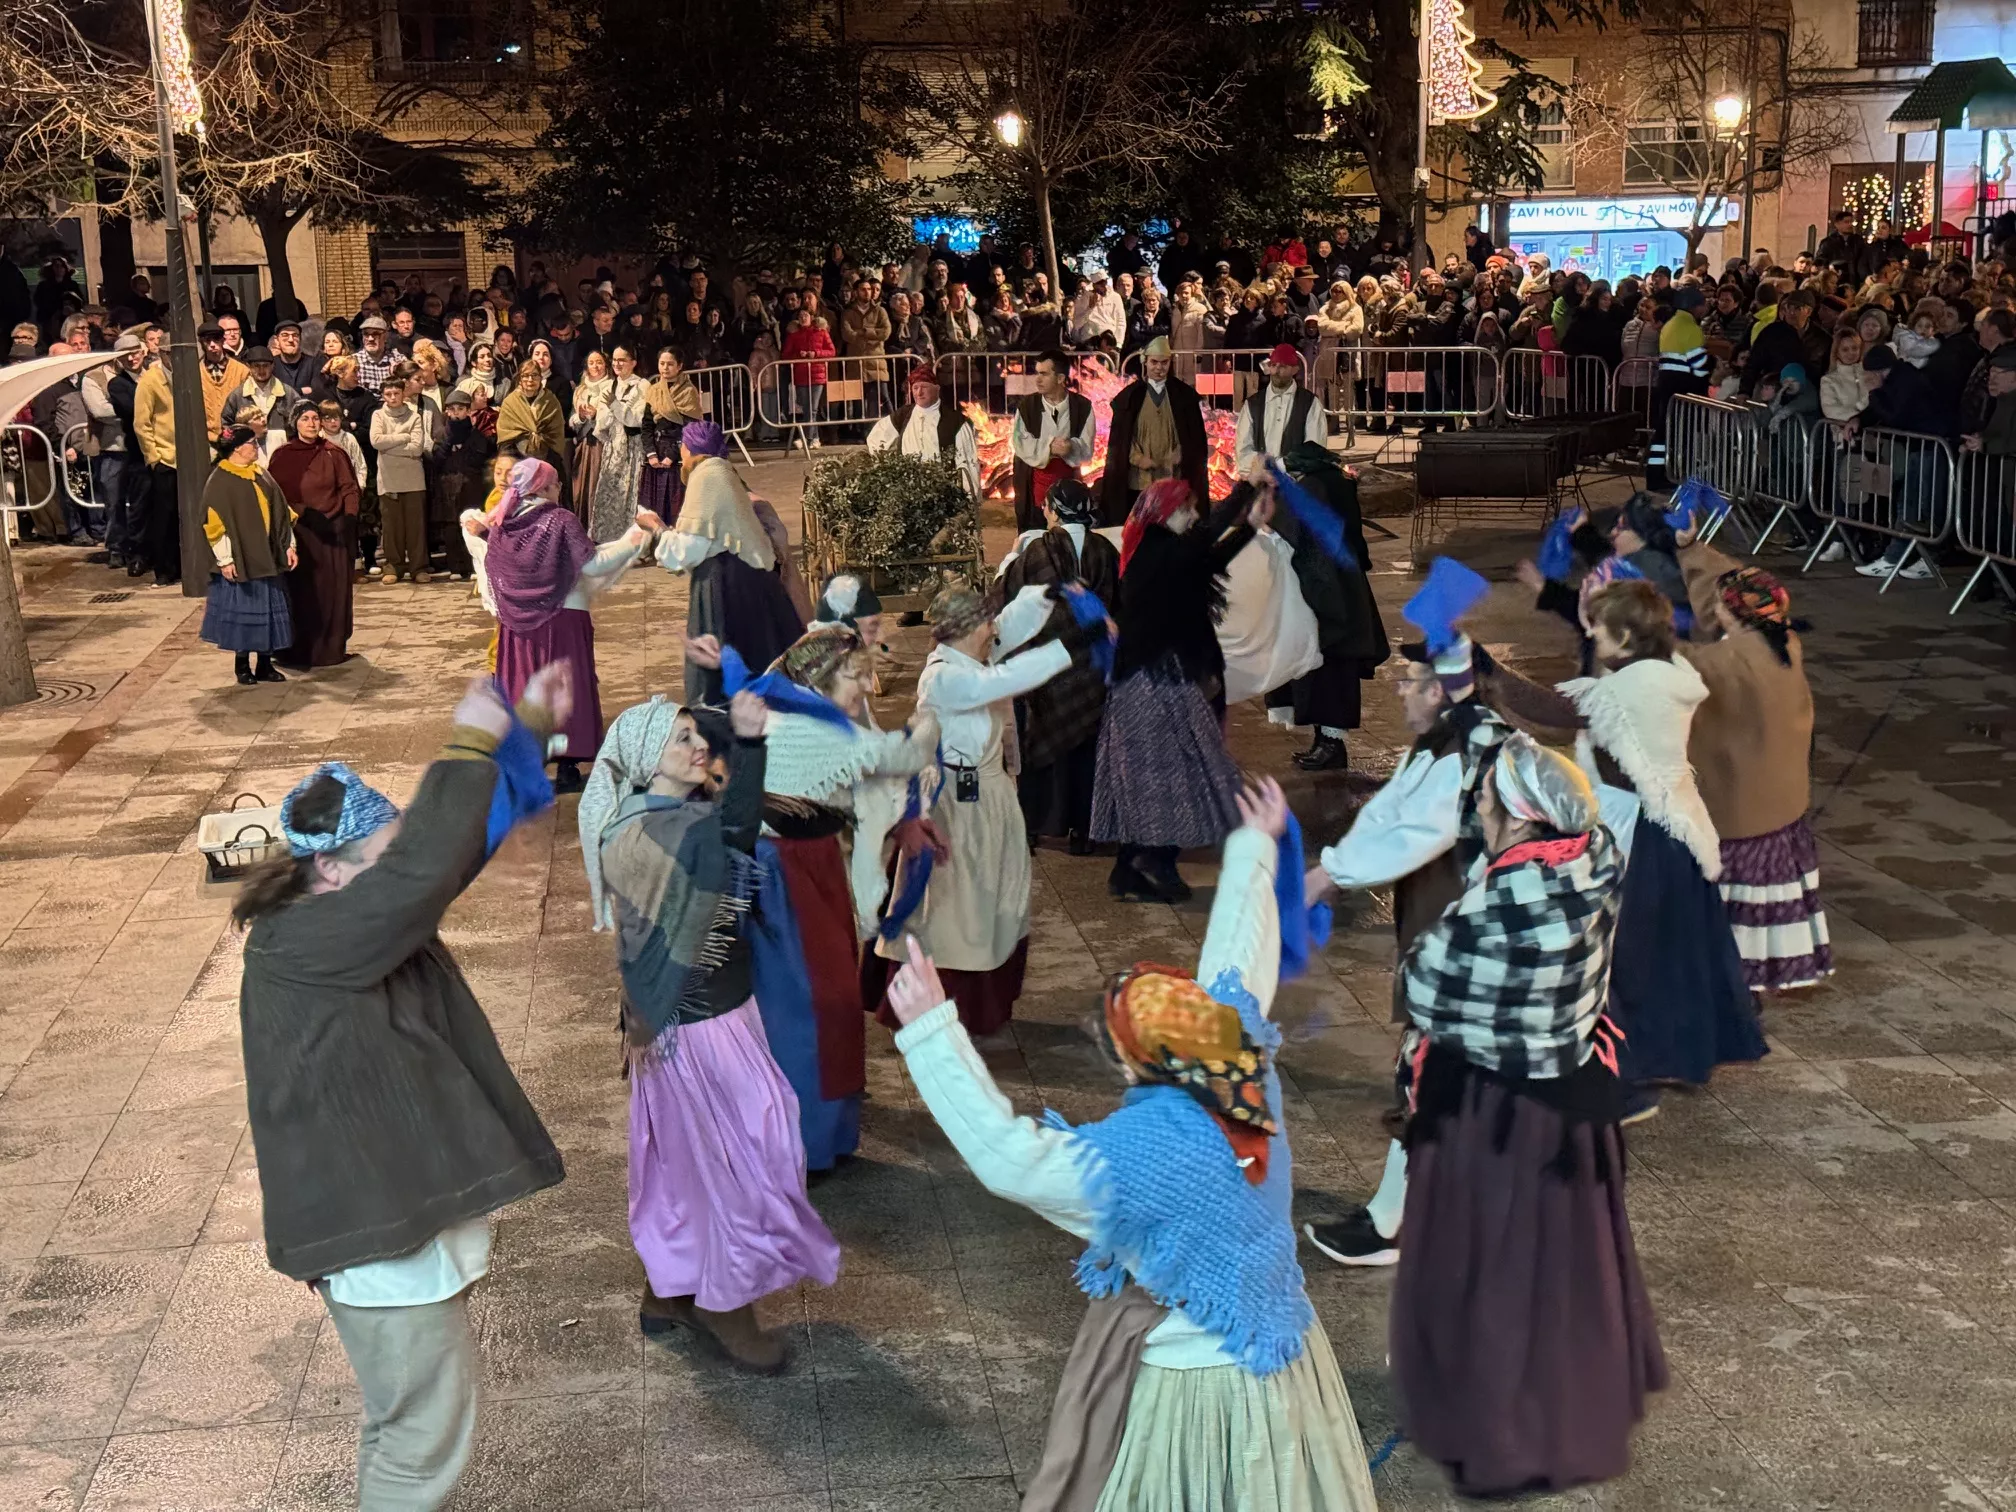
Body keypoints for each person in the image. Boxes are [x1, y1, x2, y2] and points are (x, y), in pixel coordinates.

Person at [883, 779, 1381, 1512]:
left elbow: (1009, 1158)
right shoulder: (1241, 1059)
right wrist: (1254, 844)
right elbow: (1238, 957)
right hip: (1280, 1340)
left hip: (1199, 1383)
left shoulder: (1143, 1157)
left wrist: (932, 1033)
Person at [234, 670, 570, 1510]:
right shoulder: (308, 941)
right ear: (331, 868)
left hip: (386, 1204)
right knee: (419, 1439)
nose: (402, 877)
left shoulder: (342, 914)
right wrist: (469, 740)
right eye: (384, 862)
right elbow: (422, 871)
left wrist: (523, 734)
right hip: (370, 1229)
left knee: (403, 1423)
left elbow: (437, 860)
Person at [1387, 735, 1666, 1497]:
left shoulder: (1505, 900)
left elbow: (1425, 986)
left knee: (1496, 1266)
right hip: (1574, 1102)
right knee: (1559, 1268)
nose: (1476, 811)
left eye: (1485, 801)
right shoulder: (1593, 854)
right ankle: (1565, 1392)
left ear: (1517, 816)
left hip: (1499, 1114)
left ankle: (1501, 1425)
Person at [580, 691, 843, 1373]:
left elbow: (730, 831)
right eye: (680, 740)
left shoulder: (670, 818)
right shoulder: (644, 834)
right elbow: (731, 836)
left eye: (697, 734)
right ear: (646, 761)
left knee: (686, 1163)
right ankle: (726, 1306)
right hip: (691, 1025)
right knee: (744, 1157)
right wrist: (751, 759)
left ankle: (669, 1291)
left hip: (706, 1013)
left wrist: (747, 745)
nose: (699, 746)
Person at [703, 629, 937, 1173]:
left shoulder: (808, 713)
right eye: (855, 676)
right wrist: (933, 715)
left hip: (804, 865)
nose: (866, 686)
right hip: (785, 876)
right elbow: (901, 755)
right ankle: (802, 1141)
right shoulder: (807, 729)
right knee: (808, 1004)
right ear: (821, 679)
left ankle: (812, 1127)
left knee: (811, 998)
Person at [1563, 580, 1766, 1122]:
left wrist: (1482, 671)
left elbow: (1558, 710)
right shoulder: (1656, 672)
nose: (1591, 636)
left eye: (1598, 628)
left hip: (1649, 838)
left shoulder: (1641, 686)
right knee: (1666, 959)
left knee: (1624, 961)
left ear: (1627, 637)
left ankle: (1630, 1084)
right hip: (1669, 832)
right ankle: (1662, 1063)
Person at [864, 584, 1094, 1036]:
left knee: (993, 900)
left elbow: (1010, 626)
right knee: (954, 911)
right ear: (967, 628)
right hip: (956, 807)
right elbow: (1003, 681)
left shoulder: (973, 657)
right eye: (986, 621)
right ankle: (946, 1007)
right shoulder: (945, 678)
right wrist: (1077, 644)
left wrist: (1046, 595)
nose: (993, 629)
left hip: (990, 801)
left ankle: (981, 1003)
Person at [1094, 477, 1267, 903]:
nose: (1193, 515)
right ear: (1163, 514)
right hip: (1150, 684)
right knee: (1166, 772)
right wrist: (1245, 490)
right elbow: (1204, 541)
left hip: (1158, 676)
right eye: (1186, 508)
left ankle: (1132, 868)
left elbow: (1207, 559)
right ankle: (1153, 861)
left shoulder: (1167, 550)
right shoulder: (1158, 551)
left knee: (1158, 773)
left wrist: (1249, 527)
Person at [1676, 549, 1832, 990]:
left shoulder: (1728, 663)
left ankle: (1732, 984)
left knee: (1733, 920)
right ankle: (1763, 978)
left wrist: (1609, 618)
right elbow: (1734, 586)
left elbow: (1662, 658)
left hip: (1741, 817)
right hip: (1781, 808)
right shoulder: (1782, 640)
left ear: (1729, 613)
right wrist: (1690, 547)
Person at [468, 458, 657, 792]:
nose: (559, 489)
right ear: (543, 487)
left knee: (526, 692)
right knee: (566, 692)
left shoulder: (502, 522)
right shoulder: (561, 519)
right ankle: (567, 764)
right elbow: (593, 566)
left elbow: (494, 566)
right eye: (556, 483)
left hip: (517, 624)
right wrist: (637, 537)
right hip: (564, 617)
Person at [998, 479, 1122, 852]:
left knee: (1040, 746)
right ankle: (1085, 832)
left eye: (1047, 506)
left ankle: (1036, 825)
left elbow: (1008, 595)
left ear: (1053, 511)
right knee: (1088, 749)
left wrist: (1009, 559)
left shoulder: (1036, 550)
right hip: (1094, 666)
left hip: (1048, 667)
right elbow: (1119, 602)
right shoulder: (1105, 550)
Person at [655, 422, 805, 702]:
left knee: (728, 673)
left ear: (691, 448)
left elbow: (689, 548)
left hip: (725, 585)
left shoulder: (707, 477)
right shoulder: (723, 472)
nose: (681, 453)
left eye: (682, 446)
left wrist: (657, 531)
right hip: (746, 580)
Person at [1264, 442, 1388, 770]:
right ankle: (1325, 741)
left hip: (1329, 590)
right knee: (1328, 671)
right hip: (1339, 584)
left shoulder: (1314, 487)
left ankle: (1331, 745)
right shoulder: (1332, 481)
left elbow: (1298, 531)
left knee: (1330, 672)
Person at [199, 424, 297, 685]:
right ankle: (242, 665)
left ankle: (264, 664)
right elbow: (215, 525)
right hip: (242, 559)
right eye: (251, 443)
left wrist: (288, 545)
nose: (255, 447)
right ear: (237, 449)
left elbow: (281, 511)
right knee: (244, 613)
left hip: (267, 556)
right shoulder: (221, 480)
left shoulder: (260, 474)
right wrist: (225, 559)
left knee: (268, 613)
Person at [268, 404, 359, 670]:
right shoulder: (282, 456)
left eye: (315, 418)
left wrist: (349, 518)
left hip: (332, 533)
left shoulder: (334, 453)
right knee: (302, 592)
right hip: (300, 534)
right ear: (295, 423)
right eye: (305, 418)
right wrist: (301, 512)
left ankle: (329, 649)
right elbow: (276, 495)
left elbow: (349, 488)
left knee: (331, 592)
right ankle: (296, 649)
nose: (311, 423)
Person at [1099, 336, 1209, 528]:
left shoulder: (1184, 397)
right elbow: (1121, 441)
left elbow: (1194, 438)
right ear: (1145, 362)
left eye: (1164, 362)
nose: (1159, 368)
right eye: (1154, 362)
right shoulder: (1130, 398)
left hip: (1173, 480)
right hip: (1139, 482)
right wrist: (1137, 458)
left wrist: (1182, 453)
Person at [866, 361, 982, 499]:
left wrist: (968, 499)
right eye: (915, 388)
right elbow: (876, 439)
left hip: (943, 494)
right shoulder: (904, 415)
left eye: (924, 387)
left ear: (937, 389)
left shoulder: (955, 421)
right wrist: (890, 468)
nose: (919, 393)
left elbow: (968, 462)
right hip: (908, 492)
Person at [1009, 350, 1096, 532]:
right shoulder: (1027, 406)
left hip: (1068, 487)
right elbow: (1019, 441)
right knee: (1036, 535)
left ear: (1060, 378)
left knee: (1066, 536)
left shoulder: (1082, 406)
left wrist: (1071, 446)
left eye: (1044, 374)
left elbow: (1087, 446)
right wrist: (1049, 447)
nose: (1038, 379)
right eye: (1037, 373)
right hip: (1035, 488)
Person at [370, 368, 437, 584]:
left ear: (402, 393)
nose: (392, 398)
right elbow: (376, 441)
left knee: (416, 526)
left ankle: (418, 567)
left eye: (396, 393)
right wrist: (403, 437)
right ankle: (393, 566)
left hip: (413, 478)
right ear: (383, 396)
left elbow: (417, 448)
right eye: (388, 394)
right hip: (388, 478)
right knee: (392, 527)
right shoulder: (378, 415)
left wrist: (390, 447)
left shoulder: (414, 416)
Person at [587, 345, 649, 542]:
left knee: (630, 493)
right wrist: (608, 416)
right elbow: (601, 424)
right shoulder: (608, 386)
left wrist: (615, 406)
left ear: (633, 363)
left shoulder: (642, 386)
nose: (617, 364)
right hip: (613, 447)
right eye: (614, 360)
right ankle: (606, 539)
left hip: (633, 447)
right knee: (609, 493)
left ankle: (632, 540)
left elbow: (635, 420)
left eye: (622, 360)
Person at [431, 387, 492, 581]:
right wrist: (449, 443)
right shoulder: (442, 434)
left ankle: (472, 565)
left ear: (468, 410)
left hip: (471, 486)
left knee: (471, 523)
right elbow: (436, 460)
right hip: (448, 486)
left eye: (460, 409)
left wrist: (464, 448)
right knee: (450, 526)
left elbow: (481, 460)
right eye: (452, 409)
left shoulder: (477, 435)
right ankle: (455, 566)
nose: (456, 413)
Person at [1234, 345, 1326, 472]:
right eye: (1273, 365)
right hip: (1260, 479)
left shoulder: (1310, 403)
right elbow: (1243, 451)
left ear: (1295, 370)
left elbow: (1315, 449)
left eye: (1283, 366)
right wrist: (1264, 467)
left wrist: (1285, 467)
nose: (1276, 371)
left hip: (1297, 479)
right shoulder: (1252, 404)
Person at [495, 363, 566, 476]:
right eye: (525, 375)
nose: (530, 379)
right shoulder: (510, 402)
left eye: (534, 375)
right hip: (517, 460)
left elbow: (556, 434)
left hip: (547, 460)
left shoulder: (551, 401)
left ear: (541, 378)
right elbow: (506, 438)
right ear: (519, 378)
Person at [569, 349, 613, 523]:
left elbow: (614, 418)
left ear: (606, 365)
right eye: (592, 363)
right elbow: (571, 420)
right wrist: (580, 417)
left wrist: (596, 415)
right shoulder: (580, 390)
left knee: (599, 487)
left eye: (599, 362)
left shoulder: (612, 387)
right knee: (582, 488)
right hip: (584, 444)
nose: (596, 366)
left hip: (604, 444)